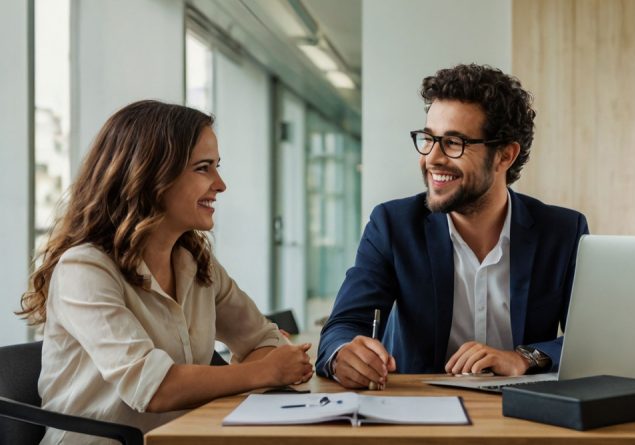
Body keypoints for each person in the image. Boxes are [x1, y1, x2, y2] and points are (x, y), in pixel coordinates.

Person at [18, 100, 313, 444]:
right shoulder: (84, 268)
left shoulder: (196, 263)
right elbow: (152, 388)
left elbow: (264, 340)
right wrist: (260, 371)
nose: (220, 184)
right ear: (150, 174)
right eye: (203, 168)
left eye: (217, 167)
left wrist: (266, 364)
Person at [315, 64, 589, 389]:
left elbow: (593, 339)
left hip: (525, 420)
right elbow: (343, 326)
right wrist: (344, 354)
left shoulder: (563, 231)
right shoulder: (392, 225)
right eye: (428, 139)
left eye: (454, 143)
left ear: (505, 156)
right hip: (419, 415)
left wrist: (524, 357)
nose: (432, 157)